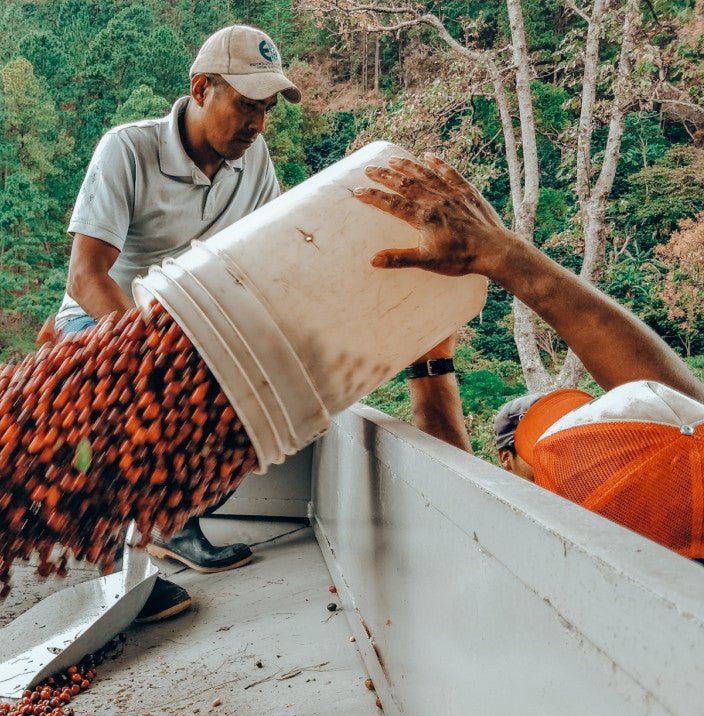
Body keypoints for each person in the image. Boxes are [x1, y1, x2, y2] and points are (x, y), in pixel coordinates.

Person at [57, 24, 303, 621]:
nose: (258, 125)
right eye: (246, 105)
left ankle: (173, 523)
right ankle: (118, 571)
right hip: (105, 322)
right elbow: (86, 277)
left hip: (196, 325)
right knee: (136, 396)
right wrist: (152, 349)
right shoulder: (128, 150)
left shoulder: (255, 159)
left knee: (271, 399)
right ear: (201, 90)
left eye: (267, 110)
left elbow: (270, 257)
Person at [356, 154, 704, 561]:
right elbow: (683, 410)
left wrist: (501, 255)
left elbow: (462, 512)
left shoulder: (545, 557)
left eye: (583, 451)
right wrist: (502, 254)